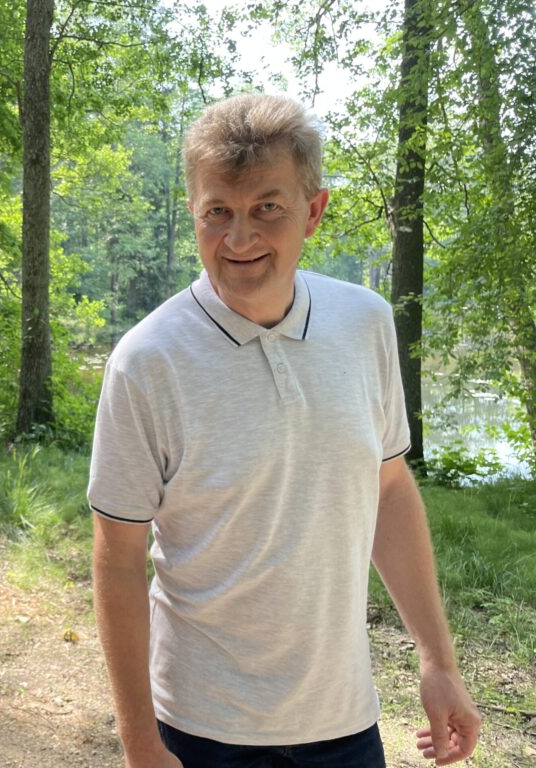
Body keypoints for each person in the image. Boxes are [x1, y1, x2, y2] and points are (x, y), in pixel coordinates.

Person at [88, 94, 481, 768]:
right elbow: (118, 560)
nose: (239, 239)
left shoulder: (364, 324)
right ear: (194, 214)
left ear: (314, 211)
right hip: (199, 728)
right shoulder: (146, 362)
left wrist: (438, 660)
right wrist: (139, 743)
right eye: (219, 212)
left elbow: (387, 491)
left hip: (343, 721)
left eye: (268, 207)